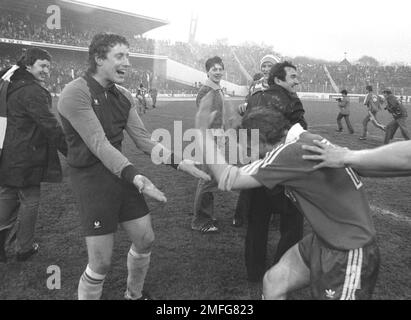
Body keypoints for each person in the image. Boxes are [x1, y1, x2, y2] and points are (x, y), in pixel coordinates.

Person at [57, 33, 210, 300]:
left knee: (145, 238)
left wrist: (180, 163)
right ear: (98, 58)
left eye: (128, 56)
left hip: (121, 174)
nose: (127, 62)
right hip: (92, 179)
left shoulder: (124, 95)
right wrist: (138, 178)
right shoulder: (74, 93)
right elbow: (99, 143)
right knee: (101, 263)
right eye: (120, 56)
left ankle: (133, 295)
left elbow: (143, 140)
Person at [195, 93, 380, 300]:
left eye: (250, 145)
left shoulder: (287, 153)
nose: (249, 151)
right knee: (274, 282)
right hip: (326, 239)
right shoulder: (304, 138)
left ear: (263, 140)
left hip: (349, 251)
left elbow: (228, 178)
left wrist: (202, 131)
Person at [236, 61, 305, 282]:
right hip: (282, 170)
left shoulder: (254, 97)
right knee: (293, 223)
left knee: (257, 223)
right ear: (278, 79)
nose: (297, 80)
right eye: (292, 76)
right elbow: (300, 135)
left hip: (257, 168)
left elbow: (245, 130)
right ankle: (280, 271)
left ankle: (254, 273)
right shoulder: (292, 101)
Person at [0, 48, 67, 263]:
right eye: (43, 65)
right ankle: (25, 248)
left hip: (7, 153)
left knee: (7, 199)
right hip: (26, 157)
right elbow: (50, 126)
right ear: (28, 65)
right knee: (30, 201)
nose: (47, 71)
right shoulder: (31, 91)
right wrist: (71, 151)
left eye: (49, 67)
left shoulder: (10, 83)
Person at [192, 56, 239, 233]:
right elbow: (205, 119)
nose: (218, 72)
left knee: (209, 179)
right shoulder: (206, 91)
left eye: (220, 69)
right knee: (206, 179)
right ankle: (200, 221)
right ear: (207, 71)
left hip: (216, 137)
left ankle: (206, 215)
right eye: (214, 69)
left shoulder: (216, 89)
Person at [233, 54, 280, 228]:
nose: (266, 69)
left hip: (274, 136)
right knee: (251, 172)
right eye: (264, 66)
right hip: (254, 135)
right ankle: (241, 215)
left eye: (270, 66)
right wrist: (243, 108)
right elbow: (247, 104)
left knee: (274, 174)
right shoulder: (254, 85)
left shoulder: (281, 85)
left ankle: (276, 213)